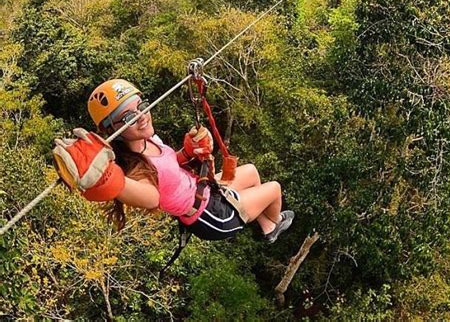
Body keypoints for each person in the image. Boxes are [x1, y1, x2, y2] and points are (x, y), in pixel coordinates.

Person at [54, 79, 294, 243]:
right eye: (127, 117)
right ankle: (272, 226)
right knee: (274, 189)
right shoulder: (133, 168)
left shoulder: (150, 139)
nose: (141, 117)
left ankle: (263, 222)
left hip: (205, 191)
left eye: (141, 107)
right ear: (111, 129)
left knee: (251, 171)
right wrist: (112, 180)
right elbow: (152, 197)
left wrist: (187, 153)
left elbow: (169, 168)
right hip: (210, 216)